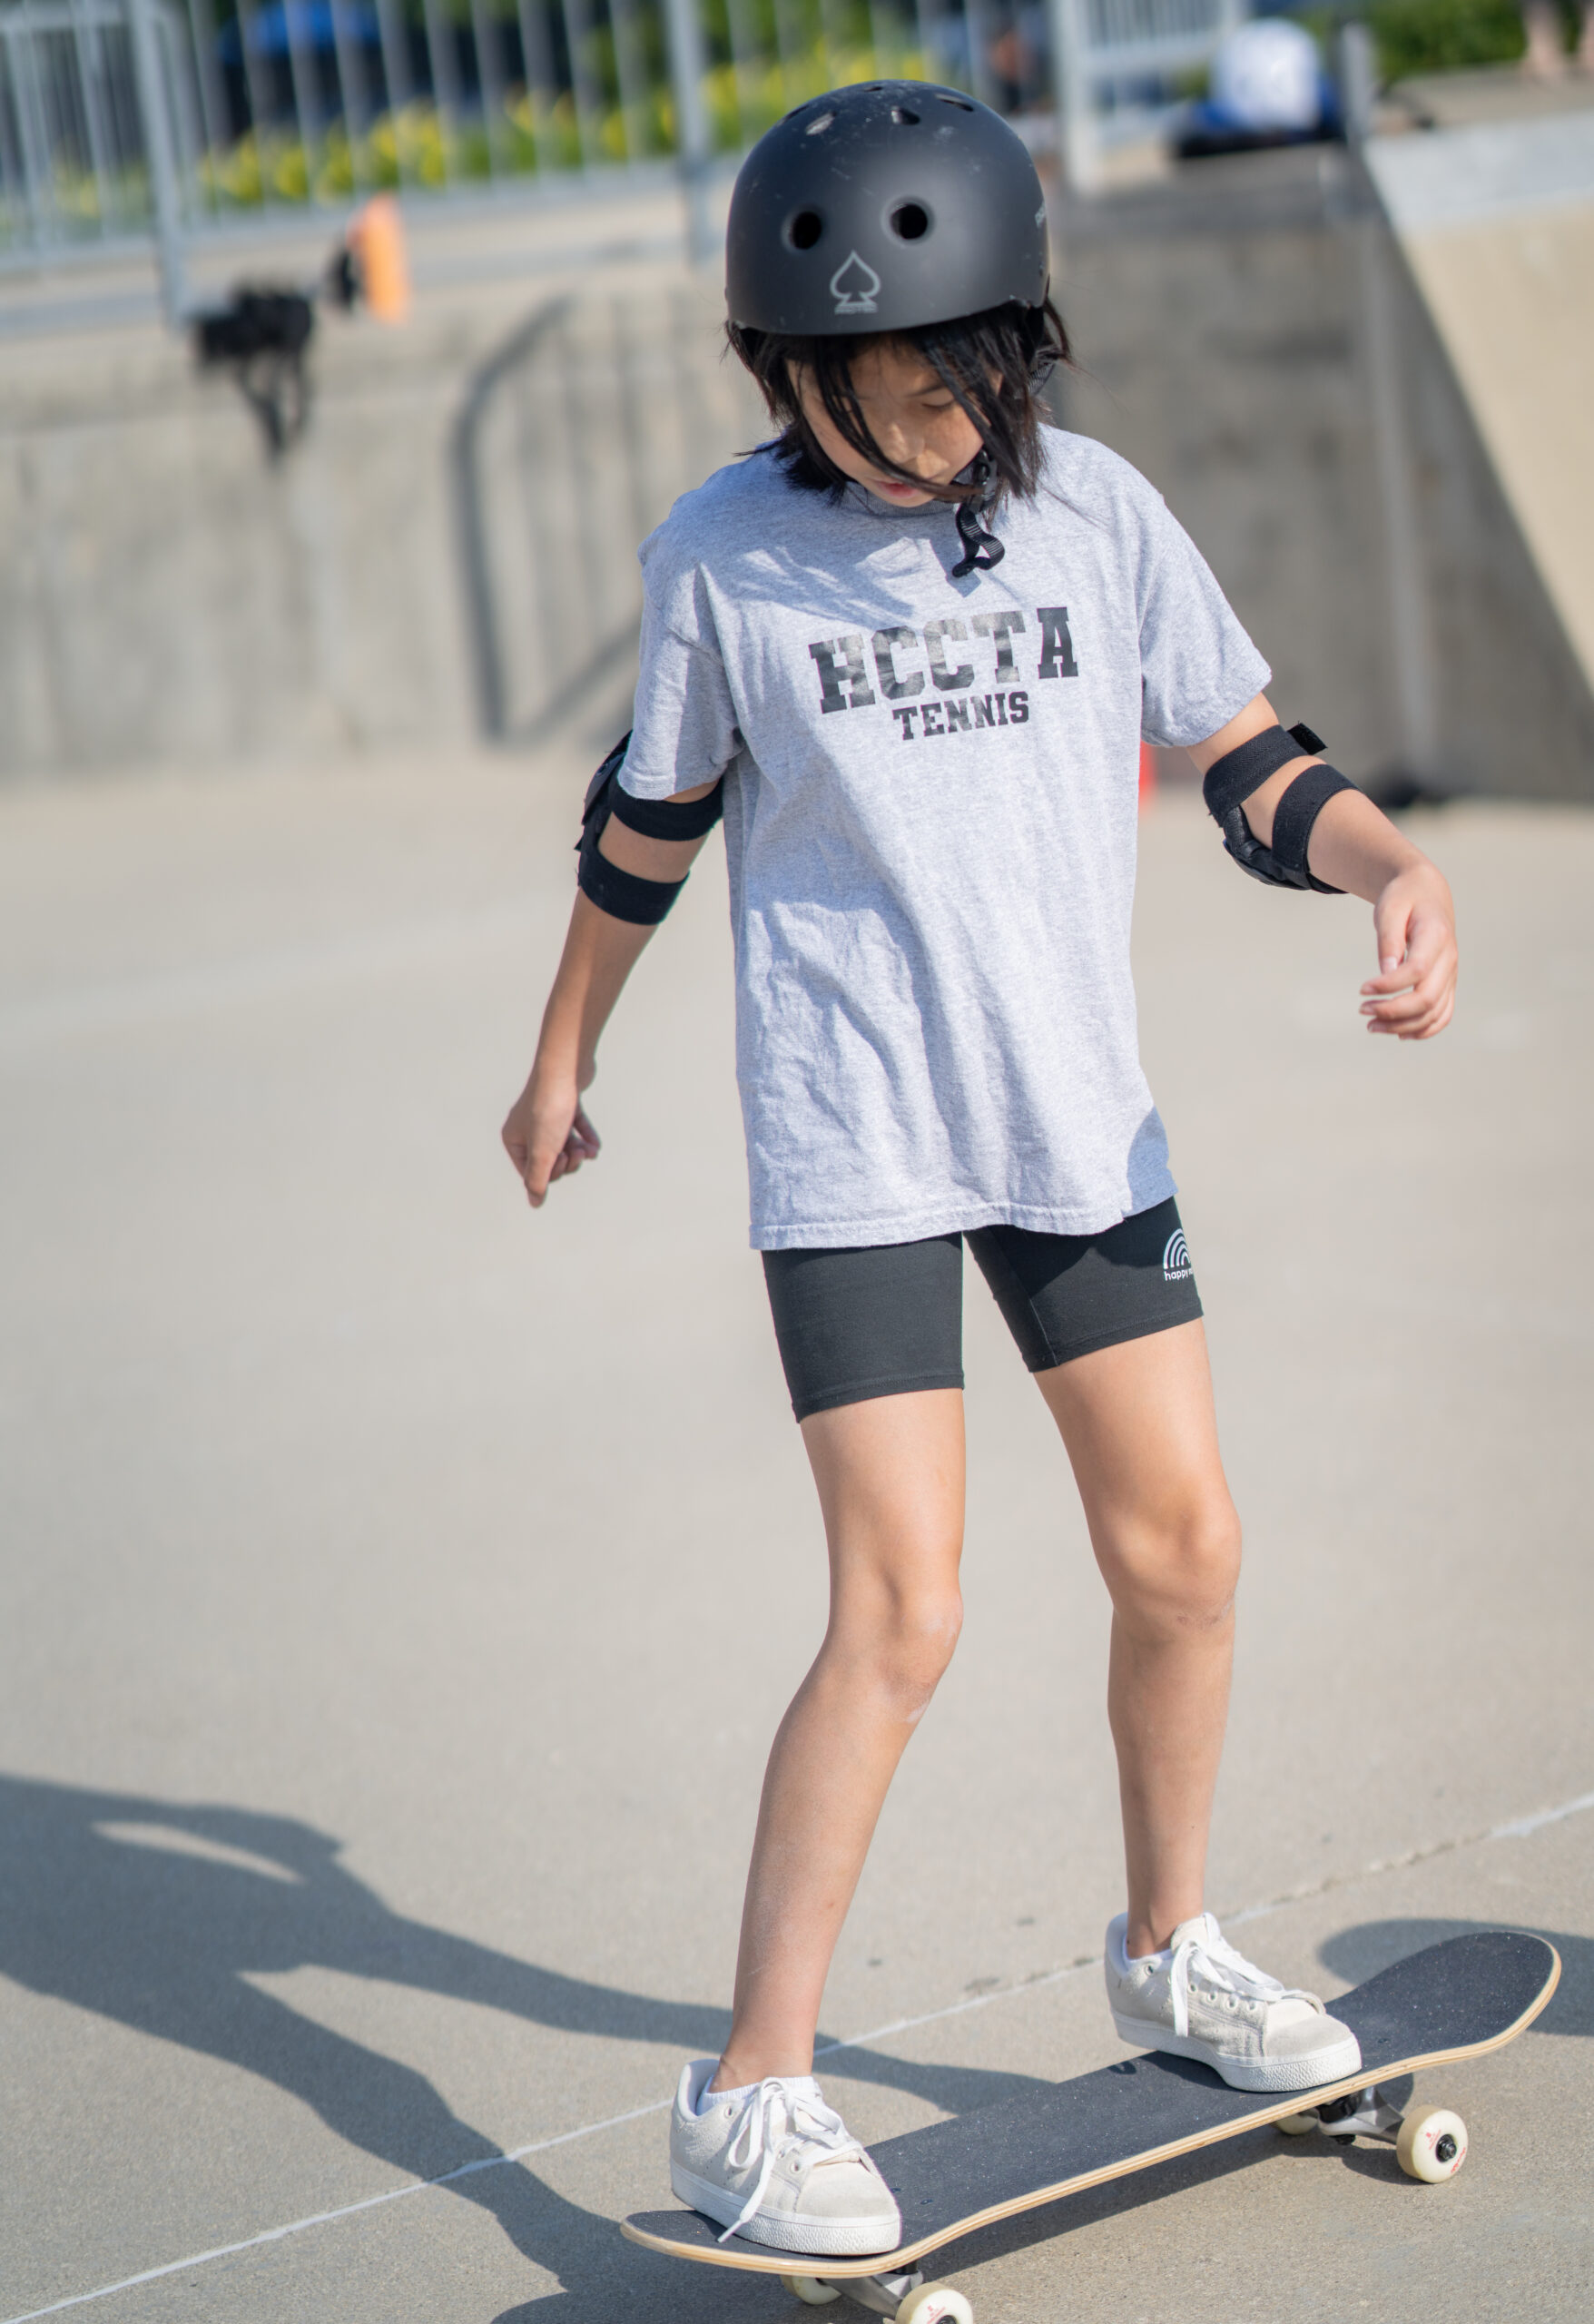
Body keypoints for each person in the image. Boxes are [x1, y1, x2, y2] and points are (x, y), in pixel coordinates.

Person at [501, 83, 1459, 2260]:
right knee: (905, 1606)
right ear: (785, 370)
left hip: (1070, 1120)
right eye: (873, 381)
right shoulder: (718, 558)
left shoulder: (1097, 516)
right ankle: (747, 2089)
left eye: (957, 372)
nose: (926, 416)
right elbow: (640, 830)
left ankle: (1168, 1945)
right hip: (853, 1143)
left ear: (1017, 341)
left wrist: (1384, 863)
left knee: (1186, 1549)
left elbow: (1242, 755)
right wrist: (561, 1051)